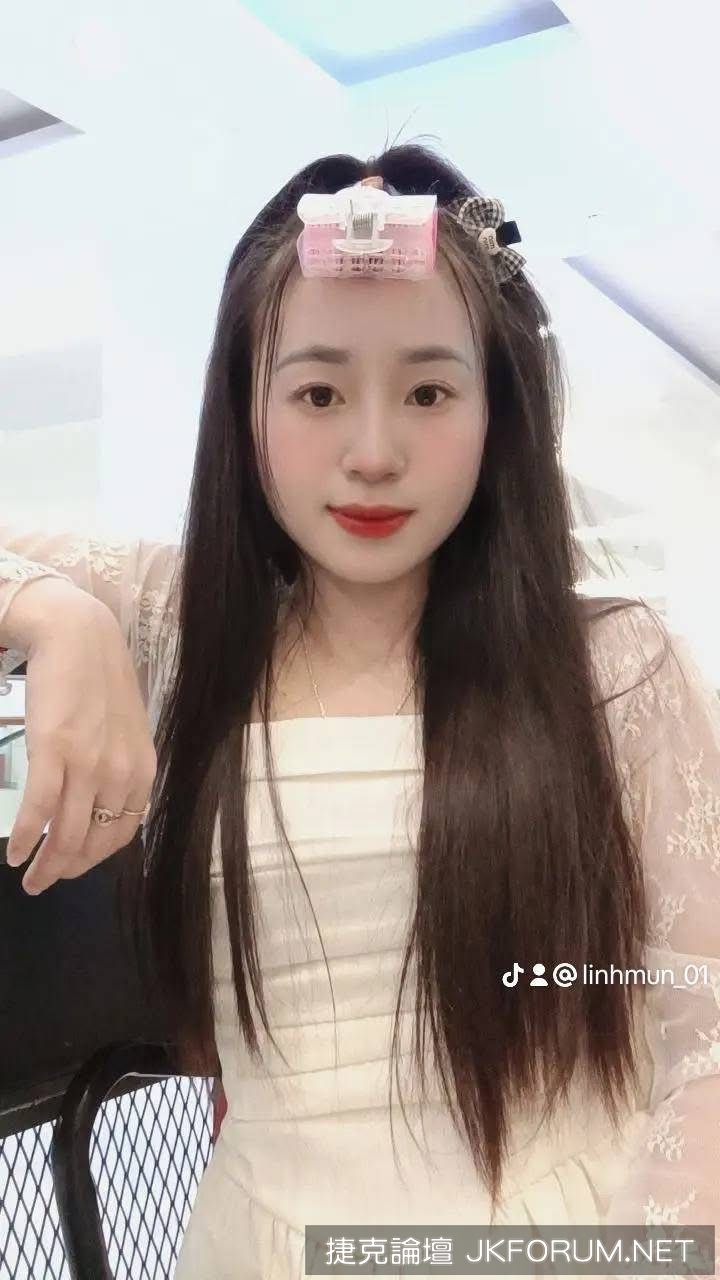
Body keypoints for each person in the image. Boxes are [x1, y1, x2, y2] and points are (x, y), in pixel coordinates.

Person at [1, 144, 719, 1280]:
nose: (373, 453)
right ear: (247, 408)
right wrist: (54, 612)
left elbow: (706, 1038)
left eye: (428, 391)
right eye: (319, 393)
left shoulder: (612, 666)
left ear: (497, 409)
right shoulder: (185, 622)